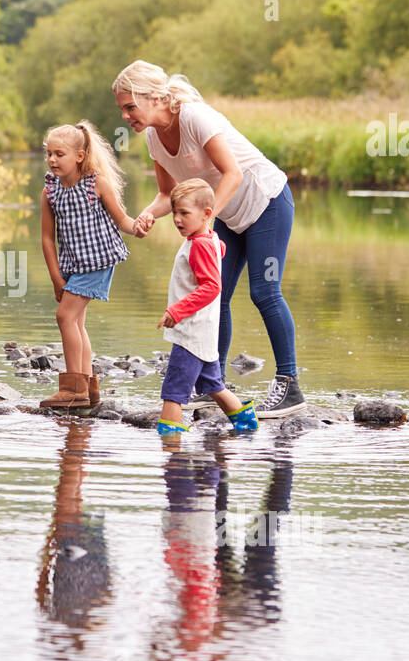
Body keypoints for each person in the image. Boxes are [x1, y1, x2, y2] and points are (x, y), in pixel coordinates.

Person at [114, 59, 306, 418]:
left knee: (265, 291)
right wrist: (146, 215)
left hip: (266, 201)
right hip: (222, 216)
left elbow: (232, 173)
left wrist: (206, 220)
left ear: (154, 98)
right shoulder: (155, 139)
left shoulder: (193, 117)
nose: (125, 116)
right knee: (215, 295)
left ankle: (289, 385)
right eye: (122, 109)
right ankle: (211, 383)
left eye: (129, 106)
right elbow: (165, 195)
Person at [39, 121, 138, 409]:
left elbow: (122, 221)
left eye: (60, 154)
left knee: (64, 317)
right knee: (77, 322)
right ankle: (89, 387)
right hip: (72, 264)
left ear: (79, 156)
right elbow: (47, 239)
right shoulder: (50, 190)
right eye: (49, 154)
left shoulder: (96, 184)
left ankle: (73, 389)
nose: (53, 160)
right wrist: (57, 278)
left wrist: (140, 226)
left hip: (98, 261)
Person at [155, 179, 258, 436]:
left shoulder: (199, 244)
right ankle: (246, 423)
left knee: (173, 392)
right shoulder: (209, 238)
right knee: (212, 384)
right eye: (175, 212)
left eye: (184, 213)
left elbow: (212, 286)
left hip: (191, 333)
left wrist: (176, 311)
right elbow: (220, 250)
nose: (177, 219)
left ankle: (171, 448)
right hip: (205, 333)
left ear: (207, 214)